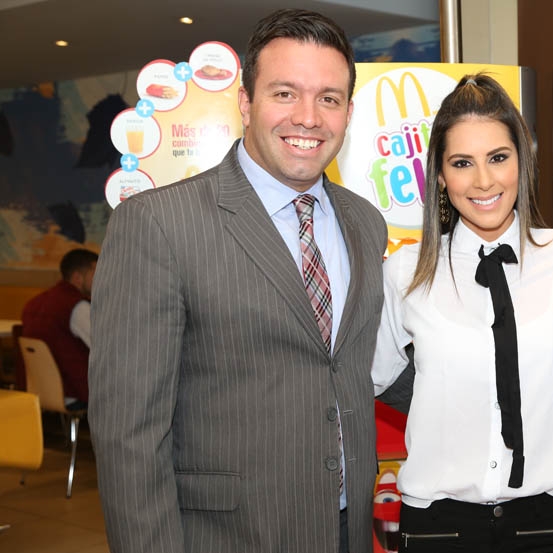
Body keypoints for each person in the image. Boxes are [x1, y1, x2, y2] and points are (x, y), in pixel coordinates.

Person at [89, 9, 388, 553]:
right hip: (227, 537)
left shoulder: (365, 223)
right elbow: (128, 436)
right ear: (246, 103)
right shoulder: (159, 223)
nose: (308, 117)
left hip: (346, 531)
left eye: (328, 98)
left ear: (348, 111)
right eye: (284, 93)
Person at [372, 73, 553, 553]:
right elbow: (366, 379)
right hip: (438, 527)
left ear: (522, 160)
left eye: (498, 158)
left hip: (548, 525)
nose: (483, 181)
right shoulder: (405, 272)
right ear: (440, 175)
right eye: (462, 163)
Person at [21, 248, 97, 409]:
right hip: (74, 392)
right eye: (96, 273)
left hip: (38, 390)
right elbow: (104, 348)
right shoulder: (77, 307)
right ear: (77, 277)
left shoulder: (34, 303)